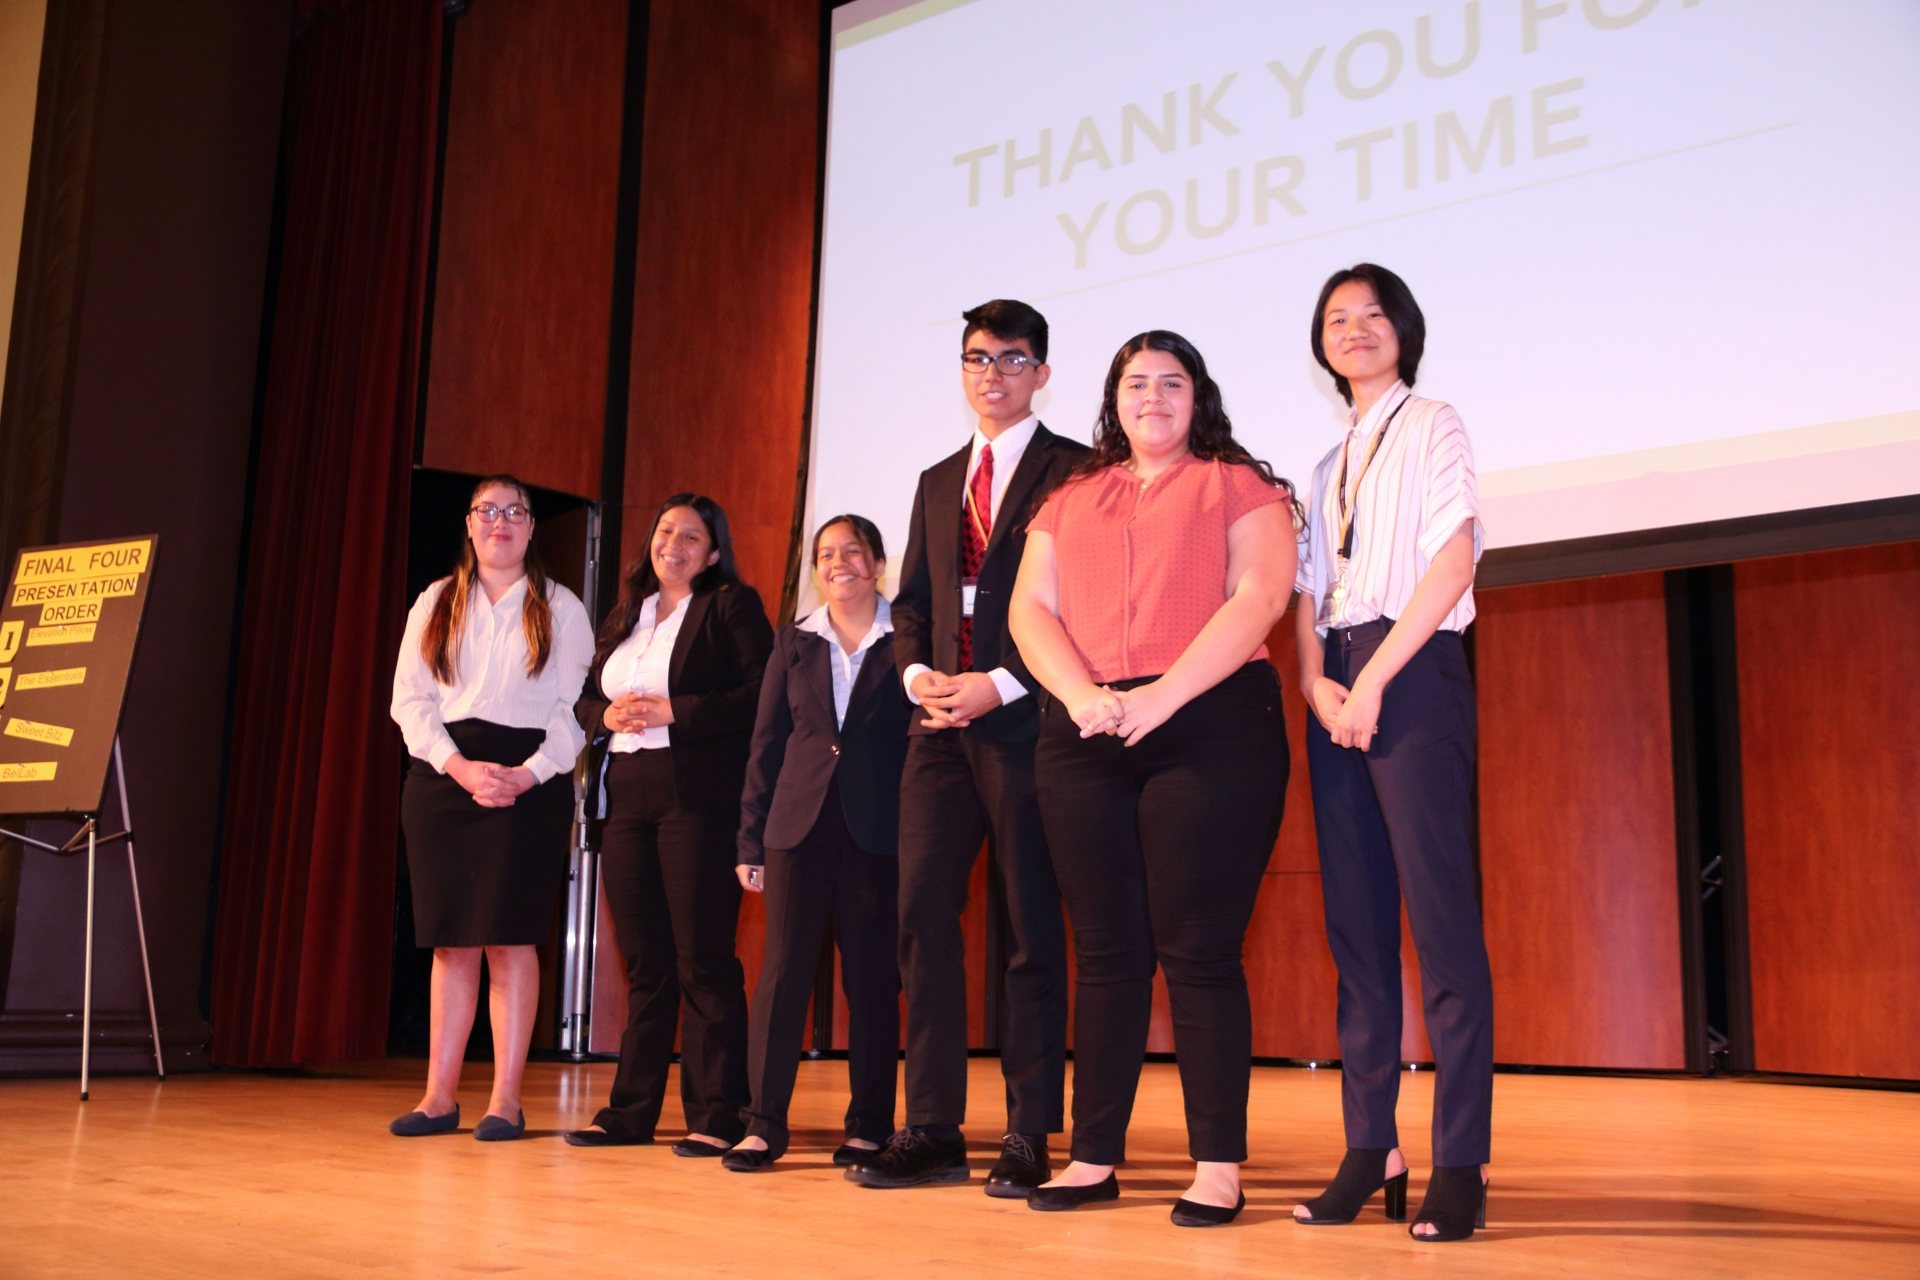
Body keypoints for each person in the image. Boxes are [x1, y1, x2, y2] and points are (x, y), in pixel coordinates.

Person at [1008, 330, 1298, 1226]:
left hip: (1208, 724)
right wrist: (1082, 695)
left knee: (1200, 952)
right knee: (1105, 956)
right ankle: (1094, 1156)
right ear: (1114, 400)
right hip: (1087, 729)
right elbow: (1029, 608)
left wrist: (1163, 698)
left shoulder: (1240, 485)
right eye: (1138, 384)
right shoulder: (1069, 498)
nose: (1154, 398)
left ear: (1198, 397)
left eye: (1173, 383)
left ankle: (1217, 1165)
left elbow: (1259, 598)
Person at [848, 300, 1086, 1194]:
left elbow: (1084, 604)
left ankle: (1029, 1134)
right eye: (977, 358)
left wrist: (1005, 683)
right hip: (936, 729)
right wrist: (917, 679)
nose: (993, 374)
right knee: (921, 922)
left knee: (1029, 926)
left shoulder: (1076, 471)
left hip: (1027, 722)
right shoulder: (937, 478)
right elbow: (911, 603)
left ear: (1043, 373)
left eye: (1013, 359)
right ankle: (934, 1126)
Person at [1289, 263, 1493, 1242]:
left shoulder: (1435, 422)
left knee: (1444, 930)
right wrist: (1313, 680)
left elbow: (1454, 557)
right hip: (1337, 680)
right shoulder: (1327, 467)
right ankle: (1369, 1145)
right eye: (1338, 318)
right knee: (1357, 933)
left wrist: (1370, 681)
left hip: (1410, 673)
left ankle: (1461, 1162)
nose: (1356, 329)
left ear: (1404, 330)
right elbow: (1304, 592)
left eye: (1373, 315)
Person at [565, 494, 773, 1155]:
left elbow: (762, 692)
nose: (674, 543)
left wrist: (674, 711)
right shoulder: (630, 613)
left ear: (713, 552)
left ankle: (719, 1115)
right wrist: (608, 716)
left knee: (701, 958)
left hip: (698, 797)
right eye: (665, 531)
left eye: (692, 535)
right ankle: (630, 1113)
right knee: (645, 962)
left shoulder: (730, 605)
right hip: (626, 794)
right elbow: (584, 696)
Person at [388, 474, 594, 1142]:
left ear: (532, 527)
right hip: (445, 776)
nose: (501, 522)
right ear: (470, 525)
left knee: (509, 940)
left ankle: (505, 1099)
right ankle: (438, 1097)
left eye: (515, 512)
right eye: (488, 511)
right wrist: (460, 768)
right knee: (453, 943)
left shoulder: (560, 608)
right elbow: (409, 701)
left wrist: (526, 777)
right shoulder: (436, 601)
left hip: (525, 781)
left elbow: (575, 713)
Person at [722, 514, 911, 1173]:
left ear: (878, 563)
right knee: (781, 976)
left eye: (851, 552)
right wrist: (750, 839)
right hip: (795, 831)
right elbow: (766, 745)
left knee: (871, 981)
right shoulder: (793, 642)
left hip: (878, 831)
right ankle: (762, 1123)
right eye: (826, 554)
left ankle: (868, 1127)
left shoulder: (907, 638)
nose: (837, 564)